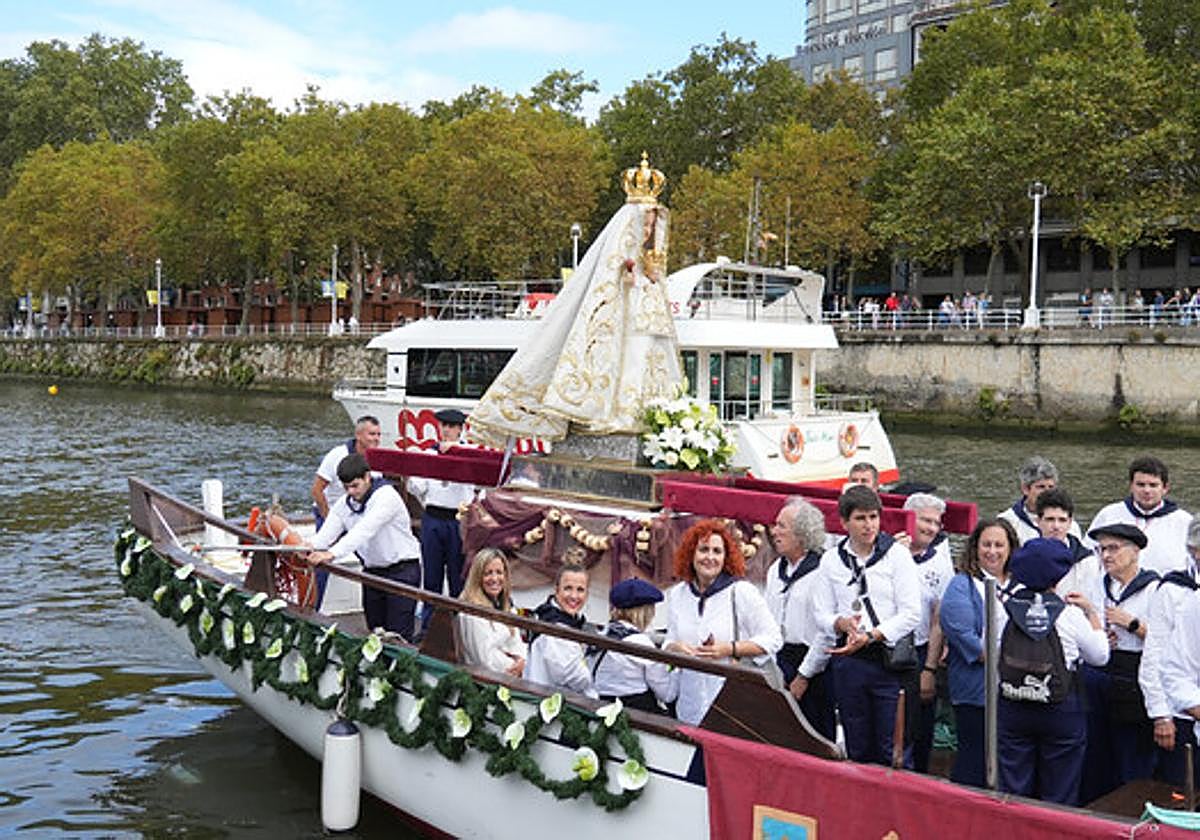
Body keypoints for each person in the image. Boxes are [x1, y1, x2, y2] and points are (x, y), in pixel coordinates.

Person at [470, 155, 682, 446]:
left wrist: (653, 279)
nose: (647, 233)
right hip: (624, 331)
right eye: (643, 225)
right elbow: (609, 299)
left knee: (645, 366)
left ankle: (646, 413)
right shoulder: (616, 263)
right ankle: (615, 412)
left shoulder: (649, 265)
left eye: (650, 227)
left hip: (646, 331)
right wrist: (632, 281)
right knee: (628, 366)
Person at [812, 485, 921, 766]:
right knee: (857, 744)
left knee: (891, 746)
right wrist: (840, 622)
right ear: (845, 522)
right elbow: (820, 613)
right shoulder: (831, 560)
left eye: (873, 517)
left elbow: (911, 613)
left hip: (888, 661)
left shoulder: (896, 556)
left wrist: (873, 635)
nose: (868, 525)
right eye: (860, 518)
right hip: (850, 661)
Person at [996, 538, 1108, 805]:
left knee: (1013, 787)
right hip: (1061, 709)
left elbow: (989, 651)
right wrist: (1093, 615)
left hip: (1013, 704)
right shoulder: (1069, 616)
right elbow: (1100, 656)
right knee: (1060, 789)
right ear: (1058, 578)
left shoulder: (1003, 611)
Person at [664, 519, 781, 726]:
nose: (710, 557)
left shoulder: (741, 592)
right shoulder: (677, 595)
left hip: (732, 705)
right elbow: (669, 641)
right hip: (689, 705)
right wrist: (676, 647)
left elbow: (773, 639)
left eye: (717, 551)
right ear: (691, 554)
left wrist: (729, 649)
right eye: (703, 550)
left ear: (726, 557)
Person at [1078, 523, 1158, 802]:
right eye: (1101, 549)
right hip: (1100, 670)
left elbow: (1168, 642)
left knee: (1131, 752)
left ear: (1135, 552)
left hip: (1134, 674)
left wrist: (1133, 624)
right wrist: (1098, 633)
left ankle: (1132, 807)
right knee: (1095, 749)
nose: (1106, 556)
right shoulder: (1097, 585)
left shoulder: (1154, 589)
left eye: (1113, 548)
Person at [940, 518, 1019, 787]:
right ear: (975, 547)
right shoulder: (961, 586)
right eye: (986, 544)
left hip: (1014, 690)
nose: (992, 551)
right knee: (974, 756)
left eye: (999, 545)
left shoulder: (1021, 585)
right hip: (975, 691)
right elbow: (965, 638)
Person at [308, 453, 422, 640]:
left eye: (355, 486)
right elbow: (327, 533)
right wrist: (308, 546)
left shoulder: (386, 497)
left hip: (402, 572)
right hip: (372, 572)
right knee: (374, 632)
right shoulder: (346, 503)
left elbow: (364, 530)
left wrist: (331, 554)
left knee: (398, 635)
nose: (351, 492)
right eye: (346, 488)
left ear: (367, 477)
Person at [765, 498, 836, 741]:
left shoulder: (824, 570)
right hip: (779, 660)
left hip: (813, 666)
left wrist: (804, 675)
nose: (774, 532)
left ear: (802, 533)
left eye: (781, 526)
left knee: (814, 735)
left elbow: (827, 632)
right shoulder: (776, 569)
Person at [1139, 517, 1200, 787]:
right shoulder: (1177, 591)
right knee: (1182, 788)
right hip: (1184, 713)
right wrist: (1161, 714)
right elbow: (1158, 656)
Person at [901, 492, 955, 773]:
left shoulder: (939, 562)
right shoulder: (887, 553)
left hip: (921, 648)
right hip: (885, 647)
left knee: (920, 725)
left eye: (936, 523)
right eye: (925, 520)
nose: (932, 528)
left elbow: (938, 619)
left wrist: (930, 668)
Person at [408, 409, 476, 627]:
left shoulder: (469, 454)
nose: (445, 430)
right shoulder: (429, 454)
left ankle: (460, 626)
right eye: (443, 426)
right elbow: (417, 486)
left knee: (458, 576)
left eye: (450, 426)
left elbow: (478, 486)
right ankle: (428, 625)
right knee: (432, 576)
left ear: (459, 429)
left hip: (458, 520)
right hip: (433, 518)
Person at [1088, 456, 1191, 577]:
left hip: (1166, 590)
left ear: (1165, 488)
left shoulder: (1185, 521)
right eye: (1141, 485)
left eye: (1153, 485)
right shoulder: (1109, 515)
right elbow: (1089, 555)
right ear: (1131, 486)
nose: (1147, 490)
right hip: (1115, 589)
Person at [590, 578, 677, 714]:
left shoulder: (602, 633)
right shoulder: (640, 643)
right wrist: (677, 665)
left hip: (601, 705)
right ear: (645, 612)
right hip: (635, 712)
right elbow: (667, 694)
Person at [526, 562, 596, 698]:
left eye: (580, 590)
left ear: (587, 594)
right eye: (568, 588)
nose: (574, 596)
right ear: (557, 590)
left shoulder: (572, 620)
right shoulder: (554, 628)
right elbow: (574, 677)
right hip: (549, 702)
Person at [458, 548, 526, 677]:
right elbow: (485, 658)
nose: (495, 579)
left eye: (499, 572)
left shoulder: (506, 605)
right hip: (485, 679)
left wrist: (522, 661)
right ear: (478, 576)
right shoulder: (472, 611)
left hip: (511, 673)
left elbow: (516, 642)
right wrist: (514, 666)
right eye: (488, 573)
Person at [311, 415, 383, 528]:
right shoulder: (337, 455)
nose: (377, 439)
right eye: (372, 434)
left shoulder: (378, 460)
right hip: (332, 512)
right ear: (358, 435)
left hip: (358, 515)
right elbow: (317, 490)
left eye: (379, 434)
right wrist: (328, 519)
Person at [1033, 488, 1101, 603]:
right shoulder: (1027, 558)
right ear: (1038, 521)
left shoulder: (1087, 562)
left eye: (1062, 520)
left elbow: (1093, 603)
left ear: (1070, 523)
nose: (1056, 526)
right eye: (1050, 519)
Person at [998, 456, 1082, 545]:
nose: (1047, 492)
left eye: (1051, 487)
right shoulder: (1007, 521)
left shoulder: (1071, 525)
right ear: (1025, 489)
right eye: (1041, 487)